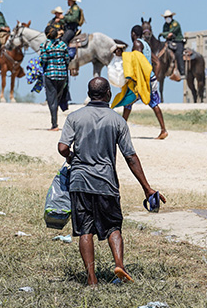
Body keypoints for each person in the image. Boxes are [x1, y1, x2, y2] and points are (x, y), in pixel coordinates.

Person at [58, 77, 166, 286]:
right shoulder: (117, 120)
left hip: (80, 182)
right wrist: (147, 188)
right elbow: (130, 157)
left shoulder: (75, 117)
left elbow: (62, 147)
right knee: (113, 227)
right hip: (106, 183)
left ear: (90, 94)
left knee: (85, 230)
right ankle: (119, 265)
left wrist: (73, 158)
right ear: (108, 93)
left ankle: (91, 279)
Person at [121, 25, 168, 139]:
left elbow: (137, 62)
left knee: (128, 101)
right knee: (152, 103)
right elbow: (157, 62)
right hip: (149, 78)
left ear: (133, 33)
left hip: (141, 80)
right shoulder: (146, 45)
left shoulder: (137, 44)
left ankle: (120, 130)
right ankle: (163, 130)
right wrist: (154, 77)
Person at [40, 27, 70, 131]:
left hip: (50, 74)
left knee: (51, 99)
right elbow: (67, 59)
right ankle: (55, 122)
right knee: (57, 98)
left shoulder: (44, 45)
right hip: (62, 75)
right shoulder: (63, 45)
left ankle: (54, 124)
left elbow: (43, 59)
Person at [158, 9, 185, 78]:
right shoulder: (165, 25)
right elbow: (165, 34)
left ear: (171, 17)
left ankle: (182, 72)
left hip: (178, 41)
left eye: (169, 17)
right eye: (166, 17)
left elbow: (170, 32)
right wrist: (165, 34)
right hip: (169, 41)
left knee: (178, 54)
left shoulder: (175, 23)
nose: (167, 18)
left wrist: (163, 34)